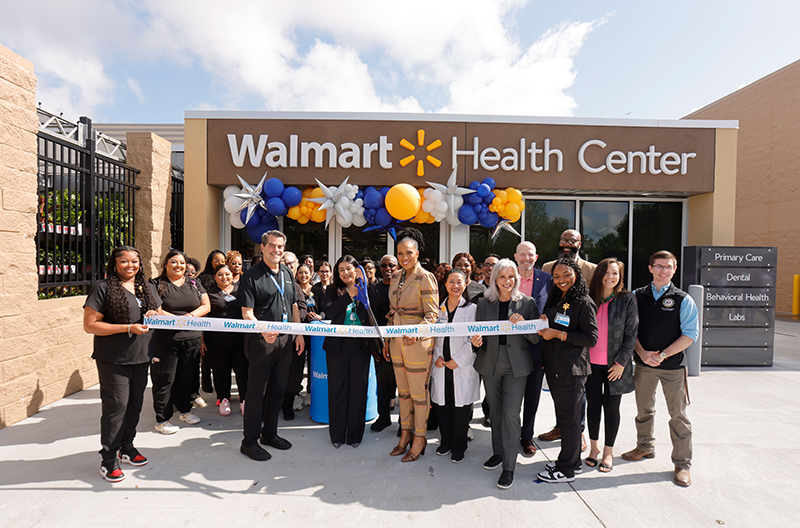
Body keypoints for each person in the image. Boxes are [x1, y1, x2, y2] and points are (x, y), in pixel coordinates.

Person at [83, 246, 161, 482]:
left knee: (134, 405)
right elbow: (90, 325)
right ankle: (108, 460)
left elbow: (158, 310)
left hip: (141, 357)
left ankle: (126, 447)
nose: (130, 266)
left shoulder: (145, 287)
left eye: (135, 261)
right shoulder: (103, 288)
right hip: (114, 360)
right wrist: (127, 328)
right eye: (124, 261)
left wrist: (157, 314)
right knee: (116, 407)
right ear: (114, 264)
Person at [622, 250, 698, 487]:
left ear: (674, 269)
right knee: (644, 410)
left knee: (679, 416)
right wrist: (643, 353)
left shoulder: (683, 299)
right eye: (659, 266)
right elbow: (629, 330)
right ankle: (644, 447)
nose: (663, 270)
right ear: (650, 268)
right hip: (643, 365)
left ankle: (682, 464)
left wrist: (663, 355)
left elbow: (690, 335)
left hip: (673, 367)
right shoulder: (636, 296)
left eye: (668, 266)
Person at [470, 259, 540, 490]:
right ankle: (498, 453)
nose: (507, 281)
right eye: (503, 277)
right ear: (494, 279)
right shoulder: (484, 303)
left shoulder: (527, 303)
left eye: (512, 277)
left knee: (511, 414)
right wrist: (476, 342)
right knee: (496, 412)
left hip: (516, 365)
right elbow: (477, 334)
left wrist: (524, 325)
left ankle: (509, 467)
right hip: (490, 362)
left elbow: (536, 337)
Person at [238, 230, 305, 461]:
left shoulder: (287, 271)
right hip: (261, 342)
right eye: (273, 246)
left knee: (278, 390)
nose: (277, 250)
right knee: (257, 392)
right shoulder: (251, 276)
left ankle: (269, 434)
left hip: (285, 339)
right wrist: (262, 329)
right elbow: (247, 313)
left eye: (281, 246)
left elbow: (294, 304)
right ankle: (249, 441)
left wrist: (298, 333)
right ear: (263, 247)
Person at [536, 256, 598, 484]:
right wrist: (545, 322)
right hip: (555, 368)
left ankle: (567, 468)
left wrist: (559, 334)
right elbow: (554, 324)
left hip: (572, 371)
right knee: (565, 418)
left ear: (576, 275)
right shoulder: (557, 298)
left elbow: (591, 338)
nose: (561, 280)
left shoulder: (584, 301)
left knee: (571, 420)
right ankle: (572, 461)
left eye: (566, 275)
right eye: (556, 276)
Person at [387, 228, 439, 462]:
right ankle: (405, 434)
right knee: (404, 393)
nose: (404, 257)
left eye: (409, 252)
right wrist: (390, 341)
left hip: (417, 343)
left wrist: (416, 334)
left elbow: (432, 314)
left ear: (417, 253)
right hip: (397, 342)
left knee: (419, 394)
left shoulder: (425, 277)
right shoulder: (396, 277)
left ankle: (420, 437)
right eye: (400, 253)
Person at [539, 229, 595, 445]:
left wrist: (561, 333)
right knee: (560, 395)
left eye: (572, 240)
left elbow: (590, 326)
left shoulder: (592, 269)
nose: (566, 243)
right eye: (563, 239)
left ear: (580, 244)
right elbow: (550, 299)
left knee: (576, 397)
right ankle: (561, 427)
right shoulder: (547, 267)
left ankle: (577, 432)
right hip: (555, 351)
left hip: (576, 346)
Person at [585, 258, 638, 473]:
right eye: (606, 273)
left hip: (615, 366)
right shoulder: (588, 298)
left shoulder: (627, 299)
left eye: (615, 273)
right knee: (593, 406)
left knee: (612, 408)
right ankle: (594, 448)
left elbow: (631, 334)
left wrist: (621, 363)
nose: (610, 277)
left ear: (620, 276)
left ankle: (608, 451)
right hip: (590, 365)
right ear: (599, 274)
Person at [150, 249, 211, 434]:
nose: (179, 266)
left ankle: (185, 411)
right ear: (166, 264)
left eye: (182, 263)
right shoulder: (155, 283)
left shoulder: (194, 282)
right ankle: (162, 419)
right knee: (165, 379)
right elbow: (157, 310)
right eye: (174, 262)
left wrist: (190, 317)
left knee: (186, 378)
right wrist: (178, 321)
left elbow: (206, 305)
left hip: (191, 338)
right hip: (166, 340)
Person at [321, 255, 377, 448]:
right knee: (337, 390)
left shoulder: (368, 290)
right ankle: (337, 435)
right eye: (341, 270)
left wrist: (361, 291)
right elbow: (329, 312)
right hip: (337, 347)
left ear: (357, 270)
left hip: (360, 348)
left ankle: (355, 436)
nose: (345, 273)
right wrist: (349, 295)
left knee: (358, 391)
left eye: (349, 269)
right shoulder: (331, 290)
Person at [431, 269, 479, 464]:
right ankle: (446, 442)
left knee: (460, 410)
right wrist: (437, 357)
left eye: (459, 282)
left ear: (465, 284)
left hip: (461, 366)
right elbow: (432, 337)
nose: (455, 286)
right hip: (441, 365)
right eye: (451, 282)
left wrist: (458, 360)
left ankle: (459, 447)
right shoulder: (438, 309)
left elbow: (474, 340)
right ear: (446, 284)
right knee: (442, 406)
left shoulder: (472, 309)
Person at [515, 241, 552, 457]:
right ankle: (508, 434)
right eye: (522, 255)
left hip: (537, 347)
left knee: (532, 395)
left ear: (536, 257)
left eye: (530, 255)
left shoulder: (547, 280)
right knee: (511, 395)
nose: (526, 258)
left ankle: (526, 436)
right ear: (515, 256)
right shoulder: (507, 277)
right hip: (510, 347)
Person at [202, 264, 249, 417]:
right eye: (220, 274)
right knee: (220, 371)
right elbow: (203, 317)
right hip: (216, 342)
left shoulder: (240, 290)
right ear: (215, 277)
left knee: (242, 371)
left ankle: (244, 399)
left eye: (227, 274)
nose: (224, 277)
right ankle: (223, 399)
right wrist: (202, 339)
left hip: (240, 341)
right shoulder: (209, 293)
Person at [368, 255, 398, 432]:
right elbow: (369, 318)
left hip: (402, 344)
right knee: (383, 383)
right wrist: (373, 345)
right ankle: (384, 418)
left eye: (392, 265)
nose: (388, 269)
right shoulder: (373, 289)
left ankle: (404, 423)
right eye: (384, 265)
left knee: (403, 386)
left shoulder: (404, 287)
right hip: (380, 346)